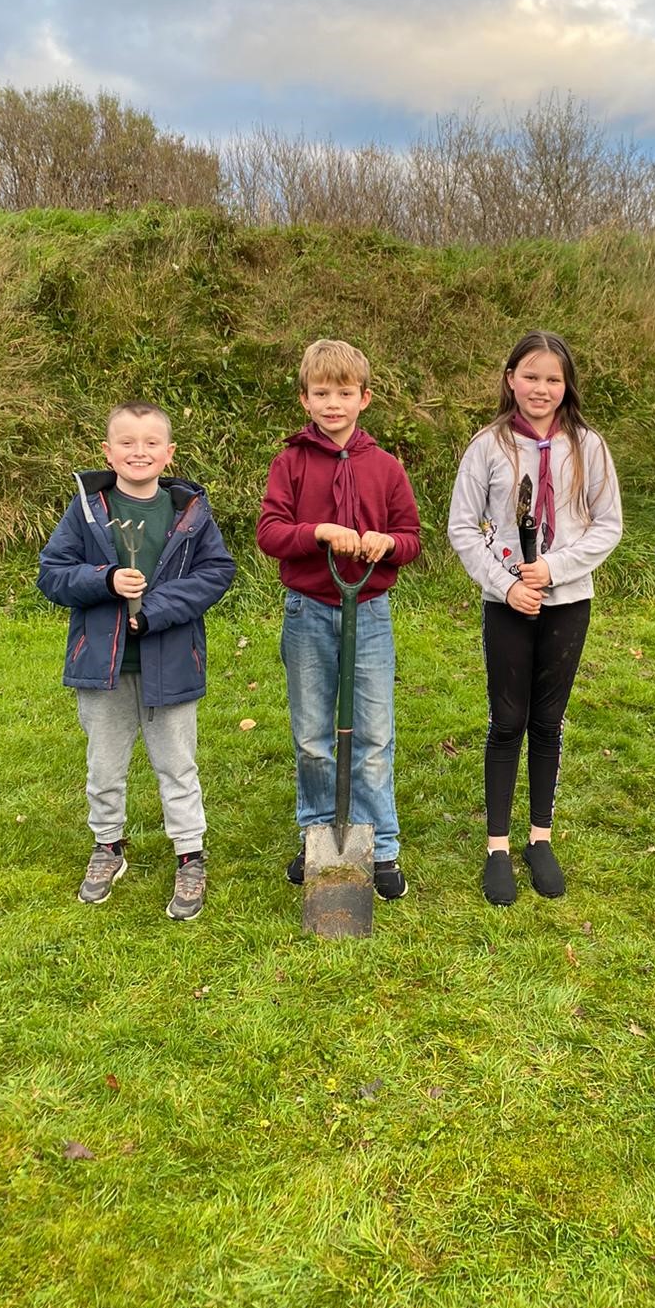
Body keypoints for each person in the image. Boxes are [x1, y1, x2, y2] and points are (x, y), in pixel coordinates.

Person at [37, 400, 236, 920]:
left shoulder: (189, 512)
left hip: (171, 662)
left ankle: (190, 854)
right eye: (126, 442)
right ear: (108, 451)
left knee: (177, 765)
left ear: (169, 453)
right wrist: (104, 581)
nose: (139, 452)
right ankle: (108, 845)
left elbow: (216, 573)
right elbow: (52, 573)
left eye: (151, 443)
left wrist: (154, 611)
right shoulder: (87, 511)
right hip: (103, 667)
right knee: (104, 766)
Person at [448, 331, 622, 905]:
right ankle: (497, 845)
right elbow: (463, 527)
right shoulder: (488, 446)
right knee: (507, 720)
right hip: (508, 604)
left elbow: (606, 526)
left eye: (552, 378)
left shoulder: (588, 447)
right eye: (530, 376)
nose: (541, 388)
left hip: (567, 600)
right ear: (510, 379)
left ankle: (539, 838)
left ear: (566, 384)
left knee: (548, 721)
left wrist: (553, 569)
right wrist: (505, 584)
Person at [256, 339, 421, 900]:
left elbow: (412, 540)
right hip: (309, 612)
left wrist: (386, 544)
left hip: (368, 612)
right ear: (305, 399)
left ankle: (382, 847)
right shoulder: (291, 462)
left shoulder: (386, 468)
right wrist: (320, 531)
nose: (333, 403)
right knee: (312, 735)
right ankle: (317, 835)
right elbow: (270, 534)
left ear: (364, 398)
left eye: (344, 393)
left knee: (374, 734)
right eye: (321, 393)